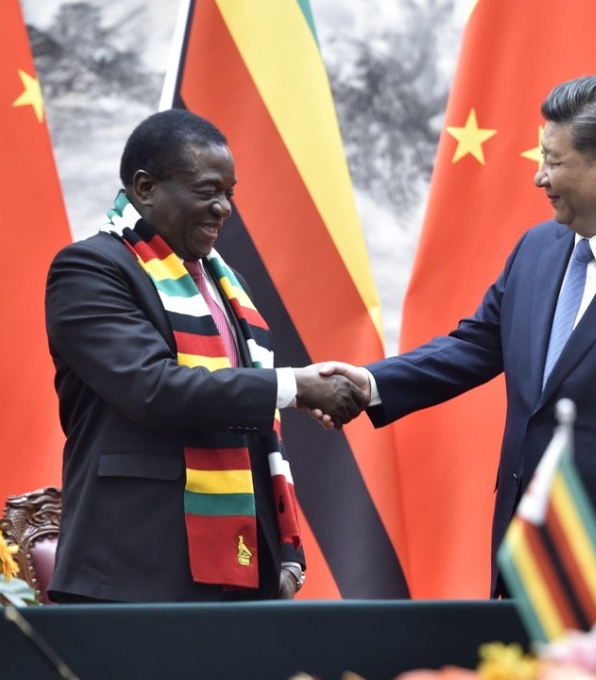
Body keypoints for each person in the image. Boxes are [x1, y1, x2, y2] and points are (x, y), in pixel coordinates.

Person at [319, 76, 596, 599]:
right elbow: (475, 346)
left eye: (553, 160)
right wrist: (368, 383)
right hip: (520, 554)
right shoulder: (537, 249)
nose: (539, 177)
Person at [44, 109, 366, 602]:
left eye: (229, 193)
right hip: (135, 571)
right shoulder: (89, 270)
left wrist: (283, 555)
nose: (223, 208)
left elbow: (248, 418)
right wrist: (295, 386)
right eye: (207, 191)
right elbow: (153, 389)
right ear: (145, 187)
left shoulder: (226, 283)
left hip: (241, 567)